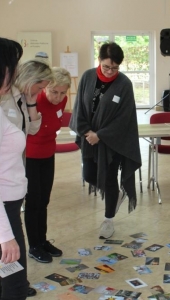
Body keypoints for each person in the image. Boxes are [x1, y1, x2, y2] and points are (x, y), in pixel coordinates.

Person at [70, 41, 141, 240]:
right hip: (89, 139)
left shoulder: (124, 84)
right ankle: (116, 196)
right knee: (89, 175)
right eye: (106, 66)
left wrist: (100, 135)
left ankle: (108, 220)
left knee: (109, 180)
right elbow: (79, 109)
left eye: (115, 68)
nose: (110, 72)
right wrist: (87, 133)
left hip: (111, 143)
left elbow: (124, 118)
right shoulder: (87, 77)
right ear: (99, 60)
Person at [0, 57, 53, 297]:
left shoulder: (22, 98)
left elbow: (32, 128)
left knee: (13, 246)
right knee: (12, 247)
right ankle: (14, 286)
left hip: (15, 178)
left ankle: (15, 284)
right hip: (6, 182)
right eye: (40, 87)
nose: (42, 91)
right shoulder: (5, 100)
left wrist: (31, 102)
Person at [25, 67, 71, 263]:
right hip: (30, 157)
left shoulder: (62, 101)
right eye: (54, 91)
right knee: (33, 201)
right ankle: (33, 245)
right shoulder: (34, 101)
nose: (58, 97)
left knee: (44, 200)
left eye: (62, 92)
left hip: (48, 155)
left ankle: (42, 241)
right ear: (46, 87)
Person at [0, 37, 28, 300]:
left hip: (9, 210)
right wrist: (5, 236)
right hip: (3, 216)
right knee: (14, 287)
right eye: (13, 67)